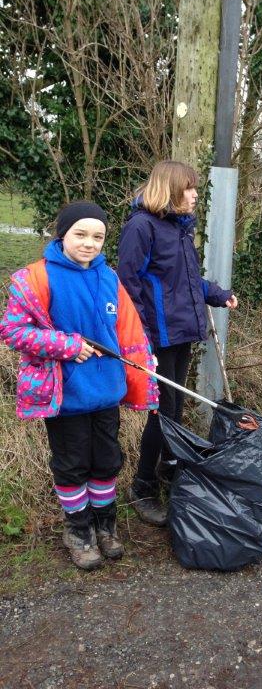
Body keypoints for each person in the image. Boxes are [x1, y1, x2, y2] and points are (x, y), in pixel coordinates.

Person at [0, 201, 158, 571]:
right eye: (81, 234)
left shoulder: (109, 278)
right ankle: (79, 531)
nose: (89, 243)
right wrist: (65, 345)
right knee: (71, 466)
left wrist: (143, 375)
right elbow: (12, 331)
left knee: (106, 462)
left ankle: (105, 527)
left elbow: (129, 332)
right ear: (63, 234)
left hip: (106, 392)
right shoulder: (35, 278)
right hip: (66, 396)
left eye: (98, 237)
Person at [117, 160, 238, 526]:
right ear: (171, 188)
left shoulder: (179, 229)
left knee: (175, 408)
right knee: (162, 411)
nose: (196, 194)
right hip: (157, 338)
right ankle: (142, 487)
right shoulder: (141, 227)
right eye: (190, 188)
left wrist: (217, 294)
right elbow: (128, 285)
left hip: (182, 333)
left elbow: (187, 282)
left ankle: (169, 469)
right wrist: (141, 339)